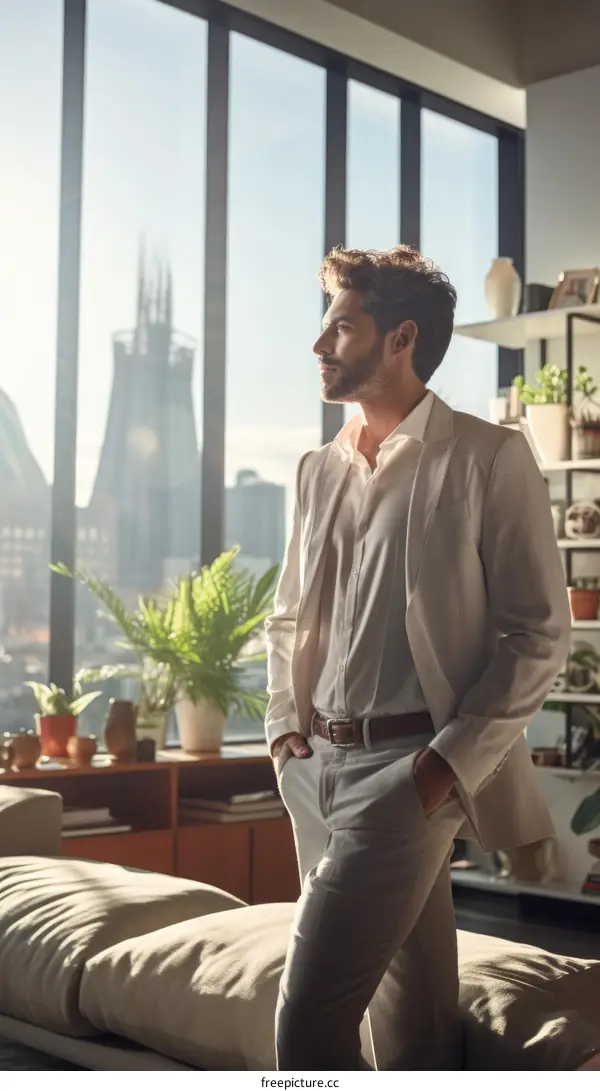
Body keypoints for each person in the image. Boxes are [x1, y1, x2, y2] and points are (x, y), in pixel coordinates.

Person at [264, 245, 571, 1072]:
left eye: (341, 326)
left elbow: (539, 631)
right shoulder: (316, 468)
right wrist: (284, 733)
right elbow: (287, 616)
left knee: (306, 1025)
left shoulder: (487, 457)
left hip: (409, 773)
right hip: (315, 766)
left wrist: (444, 765)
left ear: (401, 339)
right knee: (414, 1013)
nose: (320, 345)